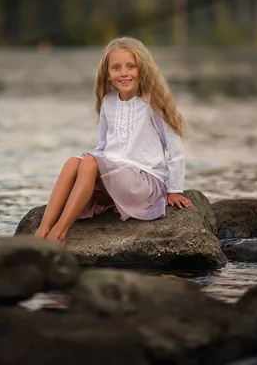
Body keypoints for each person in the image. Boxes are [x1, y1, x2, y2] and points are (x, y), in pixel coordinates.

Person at [35, 36, 193, 243]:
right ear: (108, 74)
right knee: (74, 162)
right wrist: (82, 166)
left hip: (144, 181)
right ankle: (42, 230)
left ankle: (60, 233)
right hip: (117, 179)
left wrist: (174, 190)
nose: (124, 73)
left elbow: (175, 150)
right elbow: (103, 147)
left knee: (89, 162)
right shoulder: (108, 102)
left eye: (131, 66)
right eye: (116, 68)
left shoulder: (152, 104)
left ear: (142, 69)